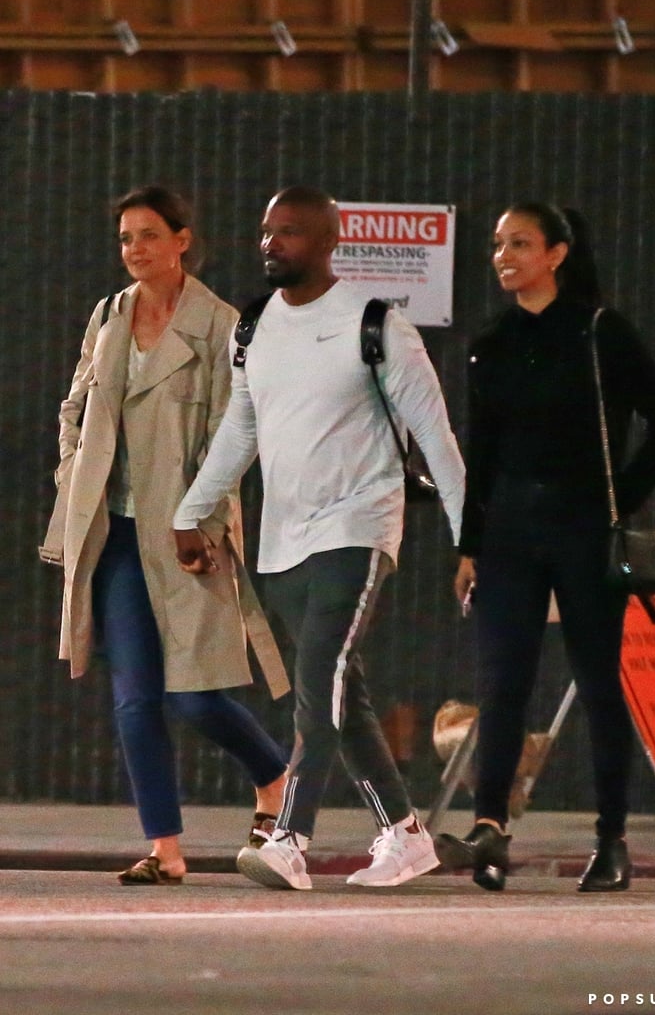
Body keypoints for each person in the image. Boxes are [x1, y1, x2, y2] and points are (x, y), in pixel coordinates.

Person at [173, 185, 465, 890]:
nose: (271, 243)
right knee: (342, 692)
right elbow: (240, 430)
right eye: (267, 230)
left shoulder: (377, 325)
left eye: (291, 232)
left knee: (318, 681)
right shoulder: (254, 328)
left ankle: (289, 837)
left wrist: (470, 540)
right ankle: (405, 835)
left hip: (357, 527)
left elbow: (434, 436)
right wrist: (191, 511)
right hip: (281, 542)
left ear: (330, 242)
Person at [434, 202, 655, 893]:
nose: (503, 256)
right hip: (509, 536)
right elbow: (480, 454)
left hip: (583, 533)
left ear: (557, 254)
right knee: (500, 687)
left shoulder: (600, 332)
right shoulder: (492, 340)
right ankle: (490, 830)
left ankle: (610, 841)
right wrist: (468, 546)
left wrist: (617, 502)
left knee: (600, 686)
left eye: (520, 243)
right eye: (496, 245)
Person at [48, 185, 288, 885]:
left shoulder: (221, 326)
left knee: (194, 693)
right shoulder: (108, 315)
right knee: (134, 696)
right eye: (126, 237)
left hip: (188, 531)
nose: (135, 250)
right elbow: (75, 406)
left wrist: (202, 520)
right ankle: (165, 848)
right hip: (114, 531)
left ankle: (273, 775)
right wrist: (74, 473)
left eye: (149, 234)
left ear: (183, 239)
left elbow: (231, 434)